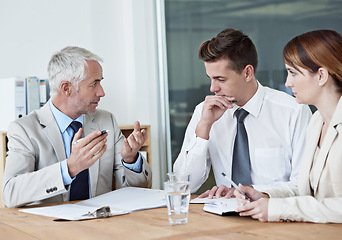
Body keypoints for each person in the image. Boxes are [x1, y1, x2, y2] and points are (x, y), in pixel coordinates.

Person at [2, 46, 152, 208]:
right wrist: (69, 168)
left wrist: (130, 160)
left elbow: (140, 190)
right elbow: (11, 193)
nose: (102, 92)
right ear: (67, 88)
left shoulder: (106, 120)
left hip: (101, 225)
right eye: (94, 84)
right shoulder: (24, 129)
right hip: (49, 229)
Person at [173, 28, 312, 197]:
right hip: (226, 216)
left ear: (247, 73)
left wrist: (252, 192)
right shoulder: (205, 112)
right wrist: (203, 128)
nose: (213, 88)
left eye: (221, 79)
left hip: (276, 216)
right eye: (210, 78)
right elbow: (182, 186)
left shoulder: (293, 112)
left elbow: (303, 186)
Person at [235, 29, 342, 223]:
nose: (288, 83)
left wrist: (278, 208)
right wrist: (265, 195)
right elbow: (305, 191)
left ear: (321, 76)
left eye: (293, 73)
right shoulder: (316, 121)